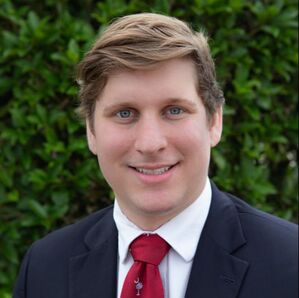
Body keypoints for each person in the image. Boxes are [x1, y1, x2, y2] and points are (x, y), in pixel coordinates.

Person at [13, 13, 298, 298]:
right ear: (91, 130)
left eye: (174, 110)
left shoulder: (290, 264)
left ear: (214, 122)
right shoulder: (45, 267)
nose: (150, 143)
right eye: (125, 113)